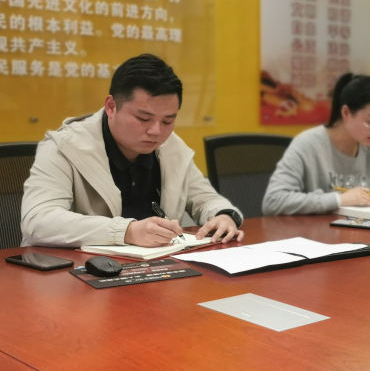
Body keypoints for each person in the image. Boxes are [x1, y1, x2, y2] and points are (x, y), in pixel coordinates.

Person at [21, 54, 243, 248]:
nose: (156, 131)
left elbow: (205, 199)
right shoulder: (64, 146)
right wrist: (126, 231)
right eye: (143, 118)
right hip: (75, 273)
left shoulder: (170, 147)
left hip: (157, 269)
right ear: (111, 106)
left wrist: (224, 216)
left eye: (167, 121)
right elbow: (38, 221)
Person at [262, 73, 370, 216]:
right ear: (346, 113)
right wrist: (339, 200)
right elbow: (273, 200)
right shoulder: (307, 145)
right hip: (314, 237)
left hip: (360, 235)